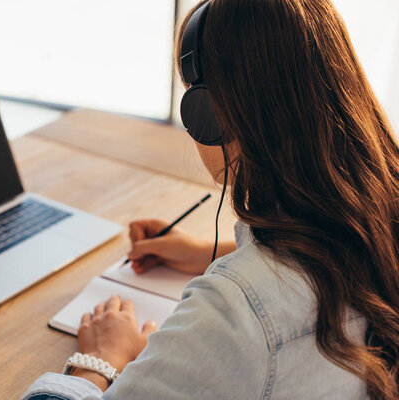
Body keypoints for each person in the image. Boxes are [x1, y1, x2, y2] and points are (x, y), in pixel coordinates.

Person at [22, 0, 399, 398]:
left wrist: (102, 360)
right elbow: (330, 259)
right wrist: (210, 251)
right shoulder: (383, 205)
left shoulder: (235, 312)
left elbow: (266, 304)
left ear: (209, 115)